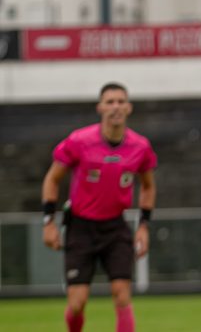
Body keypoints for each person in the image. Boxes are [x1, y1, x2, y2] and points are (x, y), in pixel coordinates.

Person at [41, 82, 157, 332]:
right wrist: (48, 222)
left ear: (129, 108)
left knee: (122, 293)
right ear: (100, 107)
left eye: (120, 102)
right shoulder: (79, 141)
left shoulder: (140, 147)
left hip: (116, 227)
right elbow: (52, 178)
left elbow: (147, 186)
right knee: (77, 302)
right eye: (110, 102)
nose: (115, 107)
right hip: (80, 228)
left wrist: (144, 226)